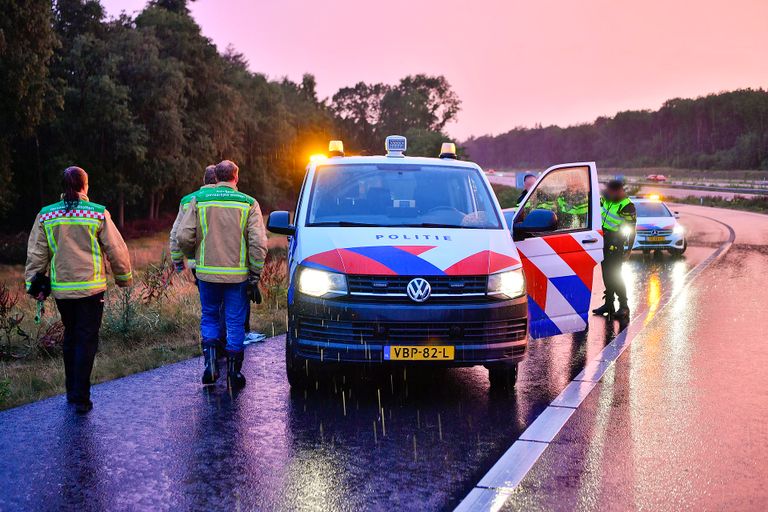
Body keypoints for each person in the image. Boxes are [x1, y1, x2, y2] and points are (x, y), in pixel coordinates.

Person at [25, 166, 133, 413]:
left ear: (63, 187)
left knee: (72, 337)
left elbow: (37, 253)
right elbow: (116, 249)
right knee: (86, 340)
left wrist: (34, 283)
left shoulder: (46, 215)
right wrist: (124, 278)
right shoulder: (96, 213)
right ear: (85, 186)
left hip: (63, 291)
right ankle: (81, 397)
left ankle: (71, 391)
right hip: (91, 290)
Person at [177, 160, 267, 390]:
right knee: (235, 322)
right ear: (235, 177)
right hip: (237, 277)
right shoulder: (249, 203)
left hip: (206, 274)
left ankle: (210, 363)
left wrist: (192, 255)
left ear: (216, 177)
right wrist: (255, 274)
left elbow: (183, 236)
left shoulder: (200, 200)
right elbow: (258, 243)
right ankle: (234, 373)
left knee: (209, 317)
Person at [592, 179, 636, 318]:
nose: (608, 193)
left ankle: (624, 306)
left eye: (611, 191)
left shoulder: (627, 206)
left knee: (615, 276)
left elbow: (631, 230)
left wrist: (628, 250)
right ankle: (609, 304)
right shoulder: (606, 200)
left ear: (619, 191)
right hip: (603, 242)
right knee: (606, 275)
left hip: (616, 245)